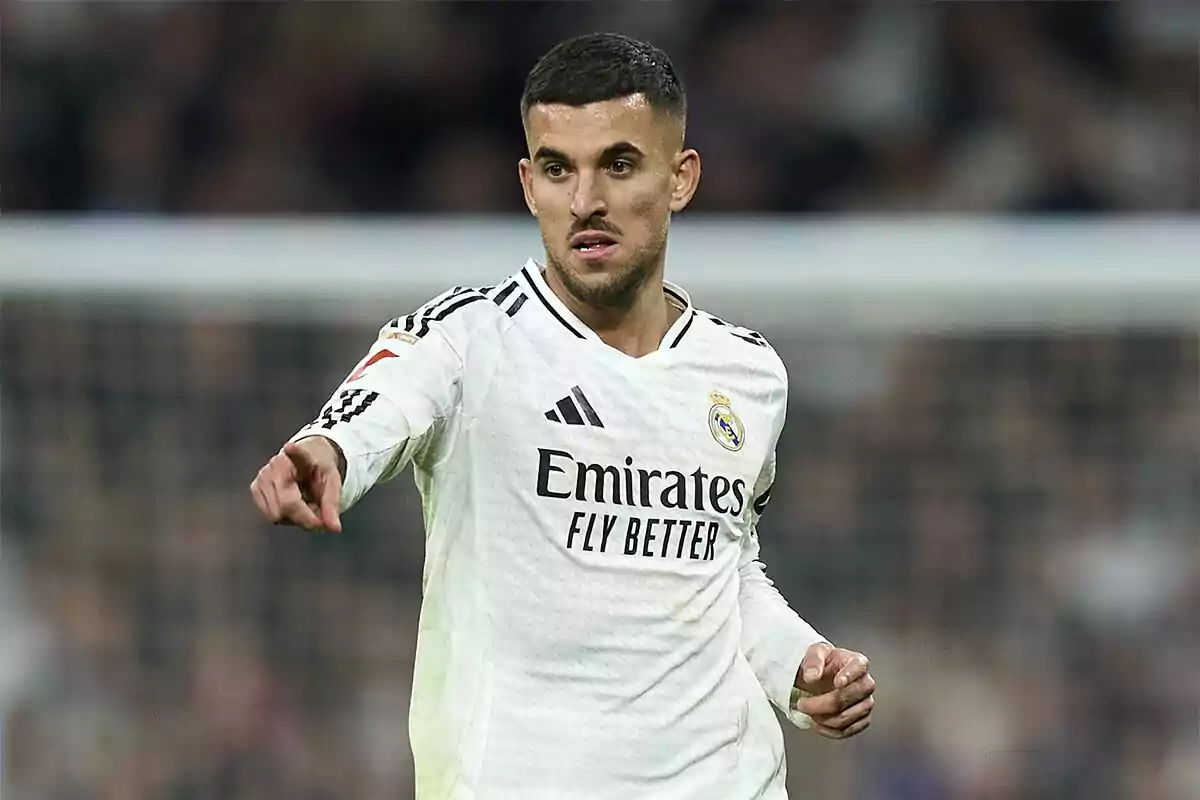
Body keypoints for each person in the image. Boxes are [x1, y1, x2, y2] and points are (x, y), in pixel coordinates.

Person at [251, 32, 876, 799]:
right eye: (557, 169)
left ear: (680, 178)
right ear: (527, 184)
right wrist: (329, 449)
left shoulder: (747, 374)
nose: (585, 201)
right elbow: (385, 398)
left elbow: (723, 571)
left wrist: (800, 667)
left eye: (618, 164)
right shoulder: (469, 337)